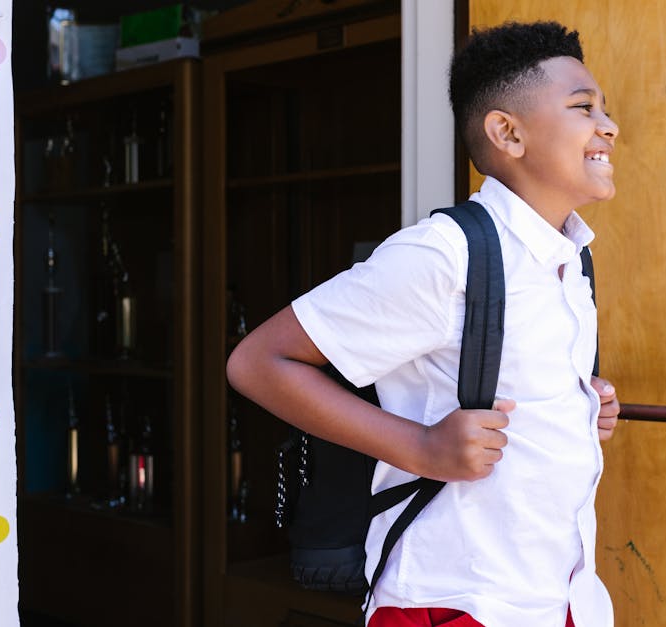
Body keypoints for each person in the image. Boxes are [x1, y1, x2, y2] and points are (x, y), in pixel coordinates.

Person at [226, 20, 621, 627]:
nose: (608, 126)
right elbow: (257, 364)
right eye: (582, 107)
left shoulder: (572, 257)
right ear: (507, 132)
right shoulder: (445, 254)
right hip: (455, 602)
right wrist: (423, 447)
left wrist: (579, 404)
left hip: (563, 599)